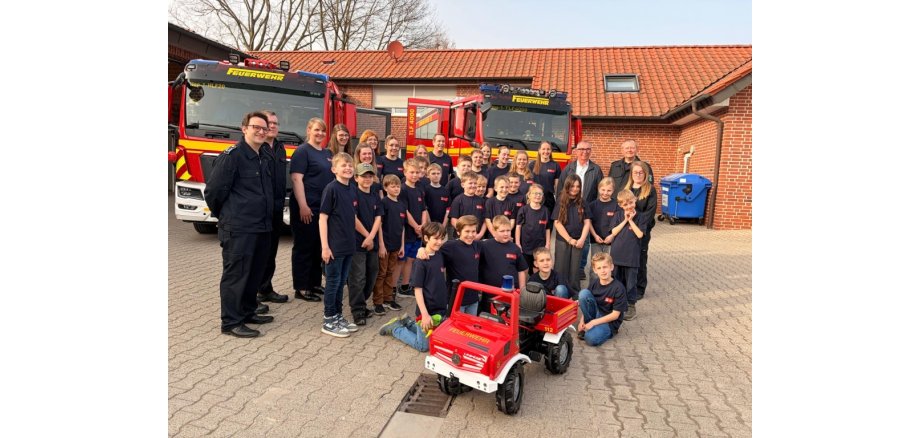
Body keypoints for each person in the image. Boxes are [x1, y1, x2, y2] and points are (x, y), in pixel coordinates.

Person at [204, 111, 276, 338]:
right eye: (256, 127)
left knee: (254, 274)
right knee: (236, 275)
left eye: (264, 128)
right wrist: (226, 217)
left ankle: (247, 311)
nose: (261, 131)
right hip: (239, 228)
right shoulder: (232, 156)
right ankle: (231, 322)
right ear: (244, 128)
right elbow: (214, 191)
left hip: (261, 227)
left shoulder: (263, 155)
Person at [379, 223, 449, 352]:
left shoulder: (440, 254)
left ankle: (407, 322)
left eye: (442, 238)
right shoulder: (420, 263)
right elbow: (418, 290)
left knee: (437, 340)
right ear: (426, 238)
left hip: (440, 309)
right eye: (436, 238)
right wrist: (425, 314)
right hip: (426, 311)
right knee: (423, 346)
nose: (439, 242)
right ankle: (396, 328)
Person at [290, 118, 333, 302]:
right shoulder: (302, 152)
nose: (320, 134)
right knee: (304, 247)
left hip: (321, 208)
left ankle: (314, 283)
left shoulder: (327, 153)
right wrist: (303, 205)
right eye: (317, 130)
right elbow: (296, 179)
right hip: (307, 206)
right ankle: (301, 287)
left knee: (317, 246)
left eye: (323, 131)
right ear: (309, 130)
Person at [318, 153, 359, 337]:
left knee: (342, 282)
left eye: (350, 165)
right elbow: (323, 219)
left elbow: (352, 217)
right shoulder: (331, 189)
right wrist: (325, 247)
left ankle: (338, 315)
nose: (348, 168)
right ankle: (328, 320)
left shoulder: (351, 189)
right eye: (344, 165)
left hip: (348, 245)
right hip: (334, 246)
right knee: (333, 283)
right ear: (334, 169)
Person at [416, 215, 482, 316]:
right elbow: (433, 250)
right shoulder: (450, 246)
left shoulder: (478, 245)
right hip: (456, 299)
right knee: (455, 330)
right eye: (467, 231)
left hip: (473, 299)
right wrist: (421, 249)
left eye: (473, 231)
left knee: (469, 330)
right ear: (458, 232)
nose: (471, 235)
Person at [256, 110, 290, 304]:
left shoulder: (279, 147)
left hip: (276, 208)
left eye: (276, 123)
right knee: (258, 253)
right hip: (261, 210)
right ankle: (252, 296)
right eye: (269, 123)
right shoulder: (258, 148)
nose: (273, 126)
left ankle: (266, 289)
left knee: (271, 251)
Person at [556, 141, 602, 280]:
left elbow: (599, 191)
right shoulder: (568, 168)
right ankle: (567, 269)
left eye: (588, 149)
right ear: (576, 151)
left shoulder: (596, 169)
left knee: (585, 242)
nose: (585, 152)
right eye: (582, 149)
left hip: (586, 210)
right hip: (568, 209)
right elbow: (560, 190)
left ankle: (580, 268)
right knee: (566, 242)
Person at [347, 162, 384, 326]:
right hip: (357, 244)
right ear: (356, 178)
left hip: (372, 243)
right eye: (364, 176)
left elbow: (378, 218)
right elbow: (353, 219)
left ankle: (362, 301)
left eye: (370, 175)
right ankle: (357, 310)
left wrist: (372, 238)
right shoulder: (352, 194)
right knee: (358, 278)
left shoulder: (375, 195)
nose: (367, 179)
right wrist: (367, 237)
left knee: (371, 275)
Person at [394, 158, 428, 299]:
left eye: (417, 172)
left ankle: (405, 286)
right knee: (400, 261)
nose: (414, 175)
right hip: (407, 231)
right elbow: (404, 210)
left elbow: (424, 209)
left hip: (418, 232)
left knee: (411, 259)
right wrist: (415, 226)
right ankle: (392, 289)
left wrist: (423, 226)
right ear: (405, 172)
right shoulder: (402, 189)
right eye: (411, 172)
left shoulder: (420, 189)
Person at [478, 216, 528, 313]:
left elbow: (522, 269)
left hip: (510, 293)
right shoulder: (484, 246)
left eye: (508, 230)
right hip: (490, 293)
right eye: (502, 231)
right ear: (494, 231)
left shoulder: (515, 248)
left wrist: (522, 290)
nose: (506, 234)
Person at [372, 175, 406, 316]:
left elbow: (403, 227)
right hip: (385, 245)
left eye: (398, 186)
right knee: (381, 273)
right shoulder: (383, 203)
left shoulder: (402, 204)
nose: (396, 188)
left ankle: (388, 299)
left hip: (396, 245)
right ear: (385, 188)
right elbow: (379, 225)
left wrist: (402, 245)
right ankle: (378, 302)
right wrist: (381, 245)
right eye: (392, 186)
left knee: (390, 273)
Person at [577, 252, 628, 346]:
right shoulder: (594, 283)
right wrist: (582, 321)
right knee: (583, 294)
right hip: (596, 314)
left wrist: (594, 322)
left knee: (590, 339)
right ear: (595, 270)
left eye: (605, 267)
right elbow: (587, 303)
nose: (603, 271)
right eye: (599, 268)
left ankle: (599, 330)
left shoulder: (618, 288)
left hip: (609, 322)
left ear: (611, 267)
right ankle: (589, 326)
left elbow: (615, 315)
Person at [610, 189, 645, 321]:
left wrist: (631, 221)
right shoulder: (618, 215)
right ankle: (617, 304)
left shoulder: (641, 217)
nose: (629, 206)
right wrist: (625, 220)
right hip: (617, 256)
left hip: (631, 258)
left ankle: (631, 306)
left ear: (635, 200)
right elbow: (613, 231)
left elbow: (640, 234)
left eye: (631, 202)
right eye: (625, 205)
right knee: (617, 282)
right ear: (620, 205)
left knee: (631, 284)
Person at [625, 160, 657, 301]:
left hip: (641, 231)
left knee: (640, 259)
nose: (638, 175)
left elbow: (649, 213)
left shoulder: (650, 190)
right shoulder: (626, 188)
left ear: (645, 174)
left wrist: (635, 221)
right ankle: (626, 285)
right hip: (626, 230)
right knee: (627, 259)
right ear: (631, 174)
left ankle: (639, 288)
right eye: (635, 172)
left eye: (640, 172)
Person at [552, 175, 590, 294]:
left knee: (575, 269)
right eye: (572, 186)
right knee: (560, 267)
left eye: (578, 186)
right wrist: (569, 239)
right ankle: (560, 291)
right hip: (563, 241)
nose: (575, 188)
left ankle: (574, 293)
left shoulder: (582, 202)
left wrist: (582, 239)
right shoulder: (560, 200)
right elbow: (557, 223)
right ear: (567, 186)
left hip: (578, 241)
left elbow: (587, 222)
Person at [587, 177, 618, 283]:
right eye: (603, 190)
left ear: (613, 190)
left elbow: (619, 224)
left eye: (609, 190)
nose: (605, 193)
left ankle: (609, 288)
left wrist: (612, 236)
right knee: (595, 266)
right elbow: (589, 222)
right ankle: (593, 288)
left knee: (608, 266)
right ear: (599, 189)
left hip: (611, 241)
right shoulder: (592, 205)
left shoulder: (616, 206)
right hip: (596, 241)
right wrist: (595, 235)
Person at [515, 184, 550, 271]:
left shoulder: (545, 210)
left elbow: (547, 228)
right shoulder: (523, 210)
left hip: (540, 245)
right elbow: (518, 227)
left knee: (537, 268)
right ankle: (525, 284)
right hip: (526, 246)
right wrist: (518, 243)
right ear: (529, 195)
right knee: (525, 268)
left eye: (540, 194)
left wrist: (548, 244)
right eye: (535, 193)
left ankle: (535, 284)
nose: (537, 196)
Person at [448, 173, 486, 240]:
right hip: (461, 237)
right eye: (470, 183)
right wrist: (464, 233)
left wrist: (480, 234)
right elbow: (453, 220)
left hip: (477, 237)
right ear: (463, 185)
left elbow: (485, 220)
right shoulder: (458, 200)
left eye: (475, 183)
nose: (473, 185)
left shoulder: (482, 201)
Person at [530, 141, 561, 216]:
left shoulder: (555, 165)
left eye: (548, 149)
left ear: (551, 151)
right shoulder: (532, 165)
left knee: (547, 224)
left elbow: (557, 186)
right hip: (535, 199)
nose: (546, 151)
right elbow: (528, 184)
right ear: (539, 150)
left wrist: (558, 201)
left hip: (549, 200)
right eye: (543, 149)